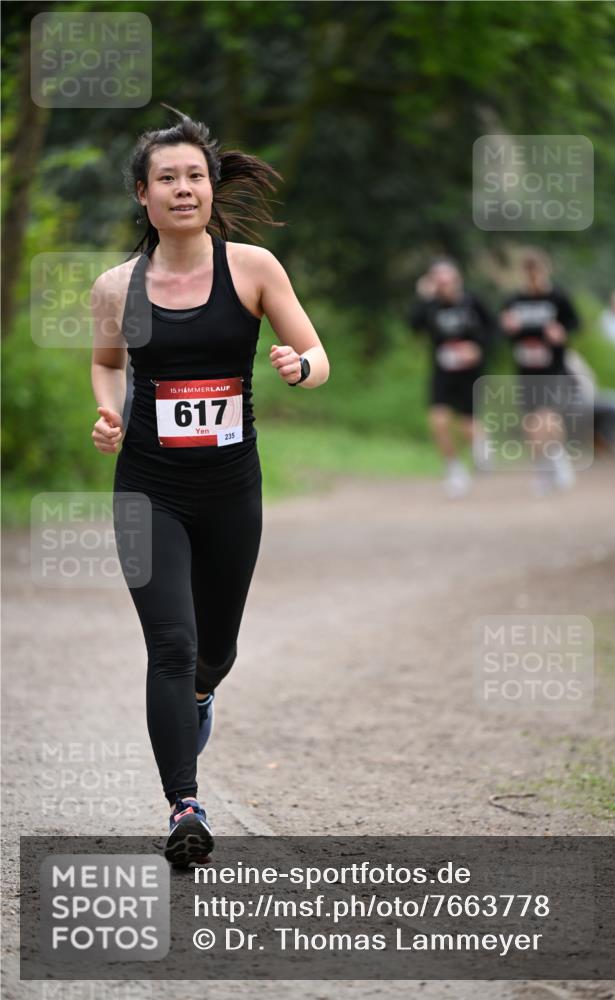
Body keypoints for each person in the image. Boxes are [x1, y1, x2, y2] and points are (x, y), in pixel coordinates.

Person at [90, 107, 330, 866]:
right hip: (147, 489)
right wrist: (108, 411)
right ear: (143, 194)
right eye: (167, 178)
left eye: (195, 175)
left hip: (230, 489)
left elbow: (315, 353)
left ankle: (201, 694)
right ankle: (184, 808)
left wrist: (299, 366)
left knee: (212, 654)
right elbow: (106, 362)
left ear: (211, 186)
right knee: (171, 643)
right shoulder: (116, 287)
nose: (183, 188)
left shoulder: (253, 269)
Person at [409, 258, 494, 498]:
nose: (443, 286)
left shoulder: (473, 303)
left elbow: (493, 330)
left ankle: (482, 443)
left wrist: (478, 348)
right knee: (438, 421)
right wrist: (424, 298)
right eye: (438, 282)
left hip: (470, 374)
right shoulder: (431, 307)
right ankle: (454, 470)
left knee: (468, 425)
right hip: (443, 372)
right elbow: (413, 325)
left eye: (447, 281)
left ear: (457, 281)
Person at [500, 248, 581, 496]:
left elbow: (575, 323)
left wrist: (561, 332)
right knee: (531, 423)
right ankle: (550, 462)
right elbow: (503, 330)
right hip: (526, 369)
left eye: (536, 271)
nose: (532, 276)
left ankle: (554, 462)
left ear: (545, 271)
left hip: (553, 368)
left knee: (546, 417)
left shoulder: (558, 297)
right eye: (527, 271)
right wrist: (508, 328)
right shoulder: (514, 300)